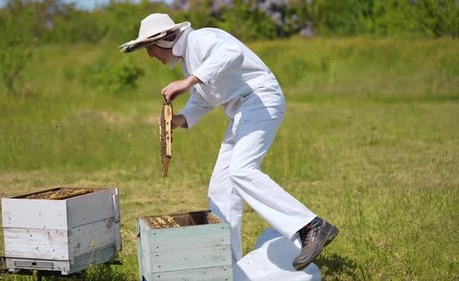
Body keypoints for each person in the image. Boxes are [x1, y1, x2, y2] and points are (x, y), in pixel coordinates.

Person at [119, 13, 338, 271]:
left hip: (260, 100)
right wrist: (180, 119)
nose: (150, 55)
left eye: (149, 47)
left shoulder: (201, 39)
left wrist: (188, 81)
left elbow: (232, 53)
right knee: (221, 190)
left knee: (242, 170)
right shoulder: (190, 62)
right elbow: (203, 99)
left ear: (165, 40)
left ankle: (311, 227)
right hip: (241, 113)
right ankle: (227, 266)